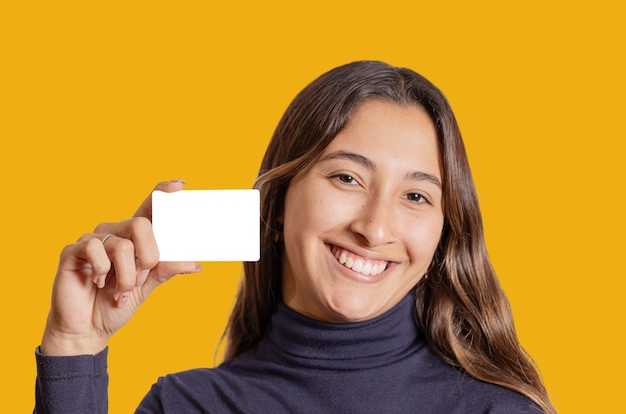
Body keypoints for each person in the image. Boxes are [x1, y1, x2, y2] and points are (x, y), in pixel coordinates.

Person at [34, 60, 557, 414]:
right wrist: (74, 348)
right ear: (279, 204)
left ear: (444, 235)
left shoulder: (496, 410)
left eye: (416, 197)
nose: (374, 229)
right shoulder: (189, 404)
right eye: (347, 178)